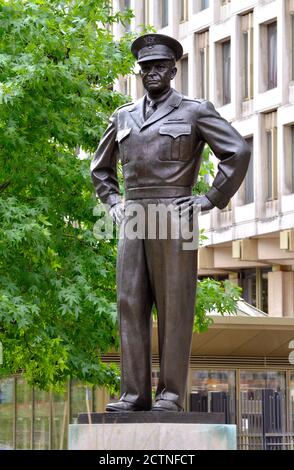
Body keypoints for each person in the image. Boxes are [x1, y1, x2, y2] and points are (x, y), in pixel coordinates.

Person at [91, 33, 251, 412]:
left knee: (175, 307)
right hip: (134, 216)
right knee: (130, 303)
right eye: (145, 68)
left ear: (173, 69)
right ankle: (133, 393)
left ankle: (171, 394)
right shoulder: (123, 115)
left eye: (159, 66)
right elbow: (101, 169)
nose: (152, 73)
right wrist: (112, 201)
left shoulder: (195, 111)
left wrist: (211, 198)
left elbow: (238, 150)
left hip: (176, 214)